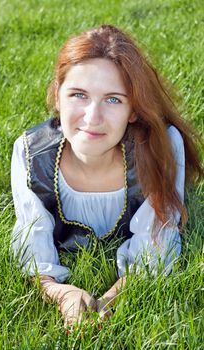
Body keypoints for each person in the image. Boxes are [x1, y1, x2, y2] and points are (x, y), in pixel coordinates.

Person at [11, 24, 203, 326]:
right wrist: (63, 294)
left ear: (134, 110)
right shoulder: (31, 153)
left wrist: (109, 299)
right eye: (78, 95)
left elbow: (158, 243)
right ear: (57, 97)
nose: (92, 117)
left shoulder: (160, 146)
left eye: (113, 99)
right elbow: (32, 242)